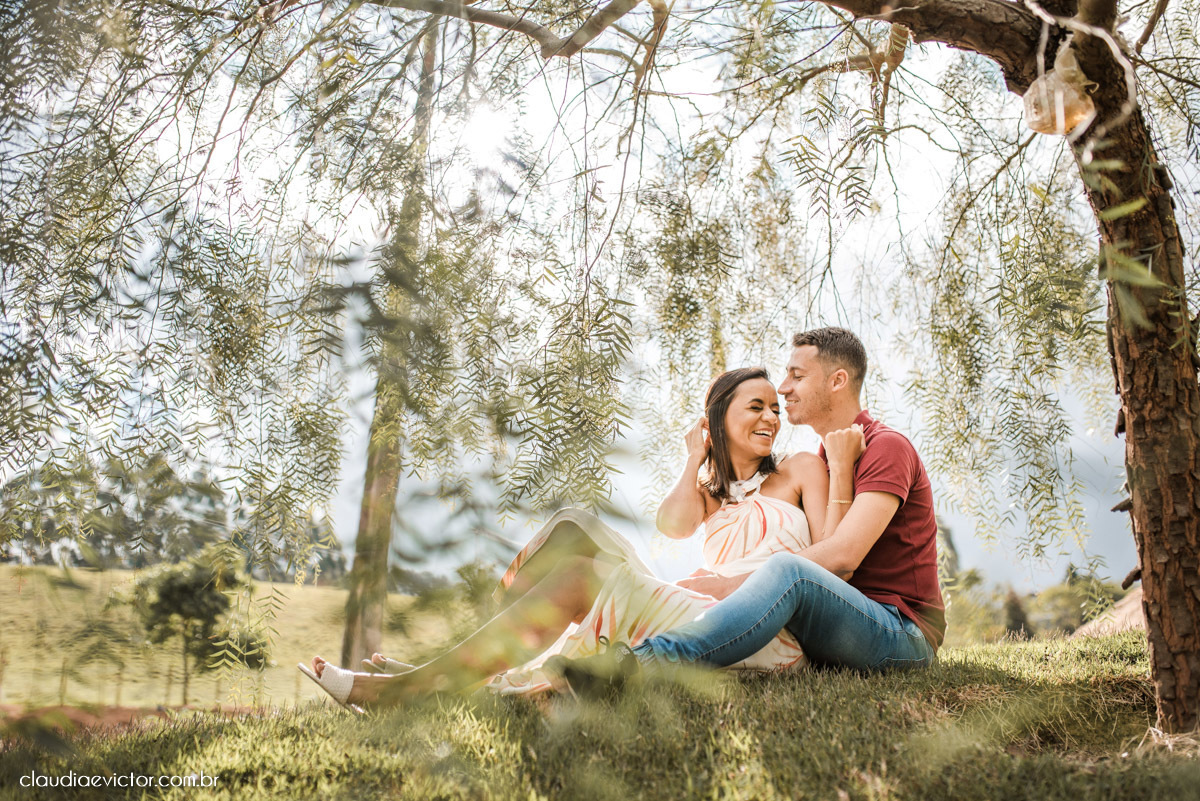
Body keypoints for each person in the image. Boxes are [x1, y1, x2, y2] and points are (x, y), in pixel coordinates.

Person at [299, 366, 855, 708]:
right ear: (718, 418)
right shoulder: (708, 494)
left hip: (759, 629)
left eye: (775, 409)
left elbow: (831, 565)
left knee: (577, 572)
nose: (771, 418)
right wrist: (695, 457)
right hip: (697, 610)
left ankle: (416, 687)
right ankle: (447, 669)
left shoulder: (804, 467)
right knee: (574, 528)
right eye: (755, 406)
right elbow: (672, 525)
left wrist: (733, 579)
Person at [555, 326, 945, 695]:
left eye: (796, 376)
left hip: (900, 632)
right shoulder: (826, 458)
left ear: (837, 381)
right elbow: (674, 525)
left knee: (788, 568)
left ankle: (641, 665)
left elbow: (842, 558)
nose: (784, 387)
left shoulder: (885, 447)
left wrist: (730, 585)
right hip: (832, 624)